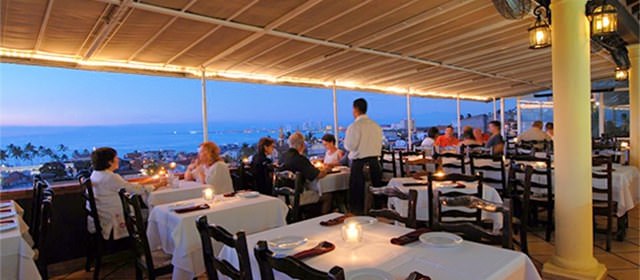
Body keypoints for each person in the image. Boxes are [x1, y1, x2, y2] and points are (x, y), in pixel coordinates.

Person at [89, 147, 163, 240]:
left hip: (102, 214)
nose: (118, 160)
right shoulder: (110, 177)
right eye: (116, 158)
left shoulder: (96, 174)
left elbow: (125, 185)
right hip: (111, 218)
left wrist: (143, 183)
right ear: (109, 162)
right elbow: (135, 190)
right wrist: (156, 185)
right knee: (154, 213)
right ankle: (152, 242)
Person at [344, 98, 383, 214]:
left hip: (360, 165)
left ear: (355, 109)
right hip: (375, 164)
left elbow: (350, 146)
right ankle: (376, 217)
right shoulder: (376, 126)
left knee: (358, 197)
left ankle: (358, 218)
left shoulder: (355, 126)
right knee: (375, 195)